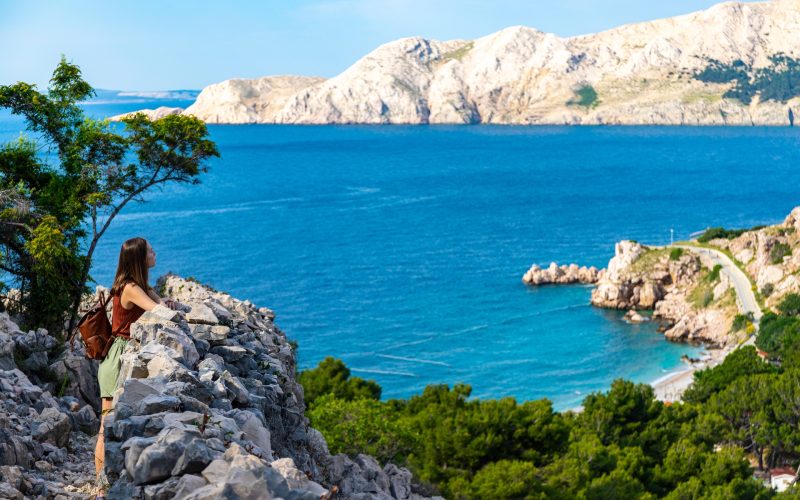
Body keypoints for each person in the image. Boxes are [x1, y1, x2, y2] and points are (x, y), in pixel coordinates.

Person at [93, 237, 179, 498]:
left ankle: (108, 479)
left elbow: (160, 305)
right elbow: (159, 312)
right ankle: (100, 484)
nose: (155, 252)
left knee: (112, 421)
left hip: (124, 356)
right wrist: (168, 309)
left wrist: (168, 304)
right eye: (151, 250)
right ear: (141, 258)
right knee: (106, 424)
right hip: (117, 357)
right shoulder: (130, 288)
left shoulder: (140, 285)